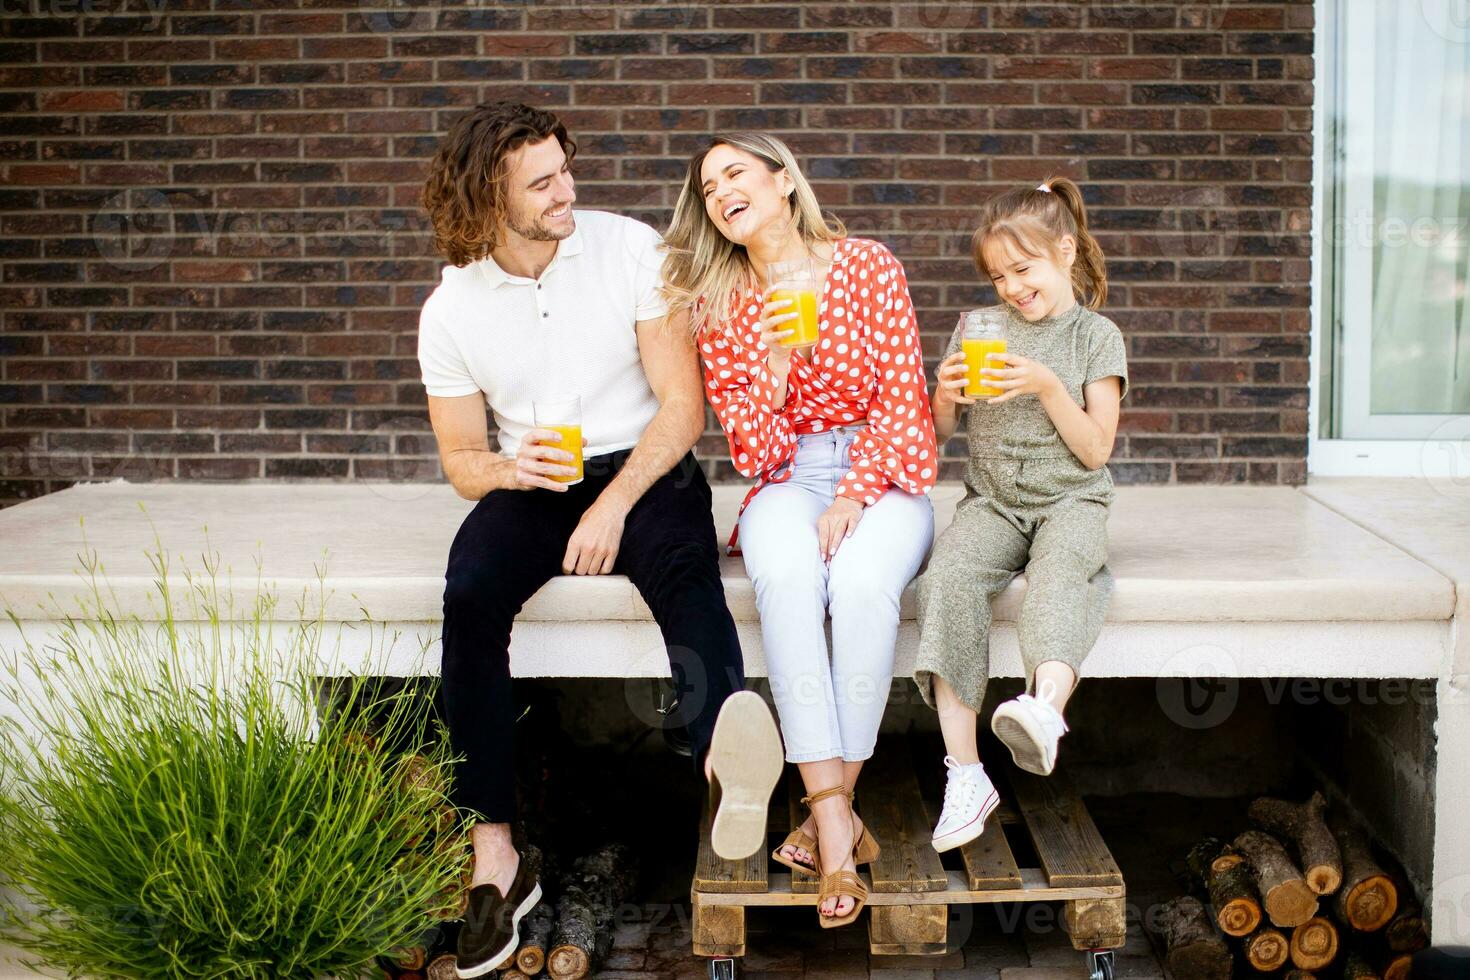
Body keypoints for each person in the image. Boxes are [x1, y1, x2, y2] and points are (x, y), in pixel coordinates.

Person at [416, 103, 782, 978]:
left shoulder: (627, 248)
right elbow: (463, 462)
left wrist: (613, 504)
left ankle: (725, 785)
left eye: (564, 170)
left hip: (647, 467)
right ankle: (496, 848)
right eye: (542, 183)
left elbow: (683, 408)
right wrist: (513, 472)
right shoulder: (451, 309)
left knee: (686, 575)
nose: (566, 191)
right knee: (469, 593)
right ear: (487, 198)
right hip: (537, 478)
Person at [661, 133, 938, 928]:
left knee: (859, 583)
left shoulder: (867, 266)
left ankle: (825, 817)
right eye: (708, 188)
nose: (719, 194)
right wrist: (778, 364)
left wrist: (853, 496)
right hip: (789, 477)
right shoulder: (719, 304)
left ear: (782, 181)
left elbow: (901, 400)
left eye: (734, 174)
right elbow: (756, 453)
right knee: (786, 577)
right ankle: (839, 829)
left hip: (881, 471)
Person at [915, 177, 1129, 855]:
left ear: (1065, 252)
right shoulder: (981, 328)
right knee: (946, 577)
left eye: (1022, 268)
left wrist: (1044, 384)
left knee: (1064, 572)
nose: (1009, 286)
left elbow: (1096, 449)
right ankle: (966, 772)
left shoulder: (1096, 337)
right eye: (997, 274)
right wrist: (942, 393)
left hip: (1072, 498)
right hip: (995, 503)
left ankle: (1044, 709)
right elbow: (940, 434)